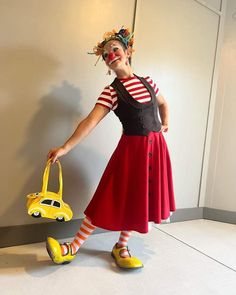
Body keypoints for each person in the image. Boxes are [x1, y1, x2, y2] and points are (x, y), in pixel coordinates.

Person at [46, 27, 176, 270]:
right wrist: (65, 147)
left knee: (138, 198)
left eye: (114, 49)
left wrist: (165, 122)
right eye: (105, 54)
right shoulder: (112, 92)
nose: (110, 55)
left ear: (127, 51)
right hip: (130, 152)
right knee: (108, 195)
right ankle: (72, 248)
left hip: (156, 149)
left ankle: (122, 246)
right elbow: (89, 122)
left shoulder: (149, 82)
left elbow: (163, 103)